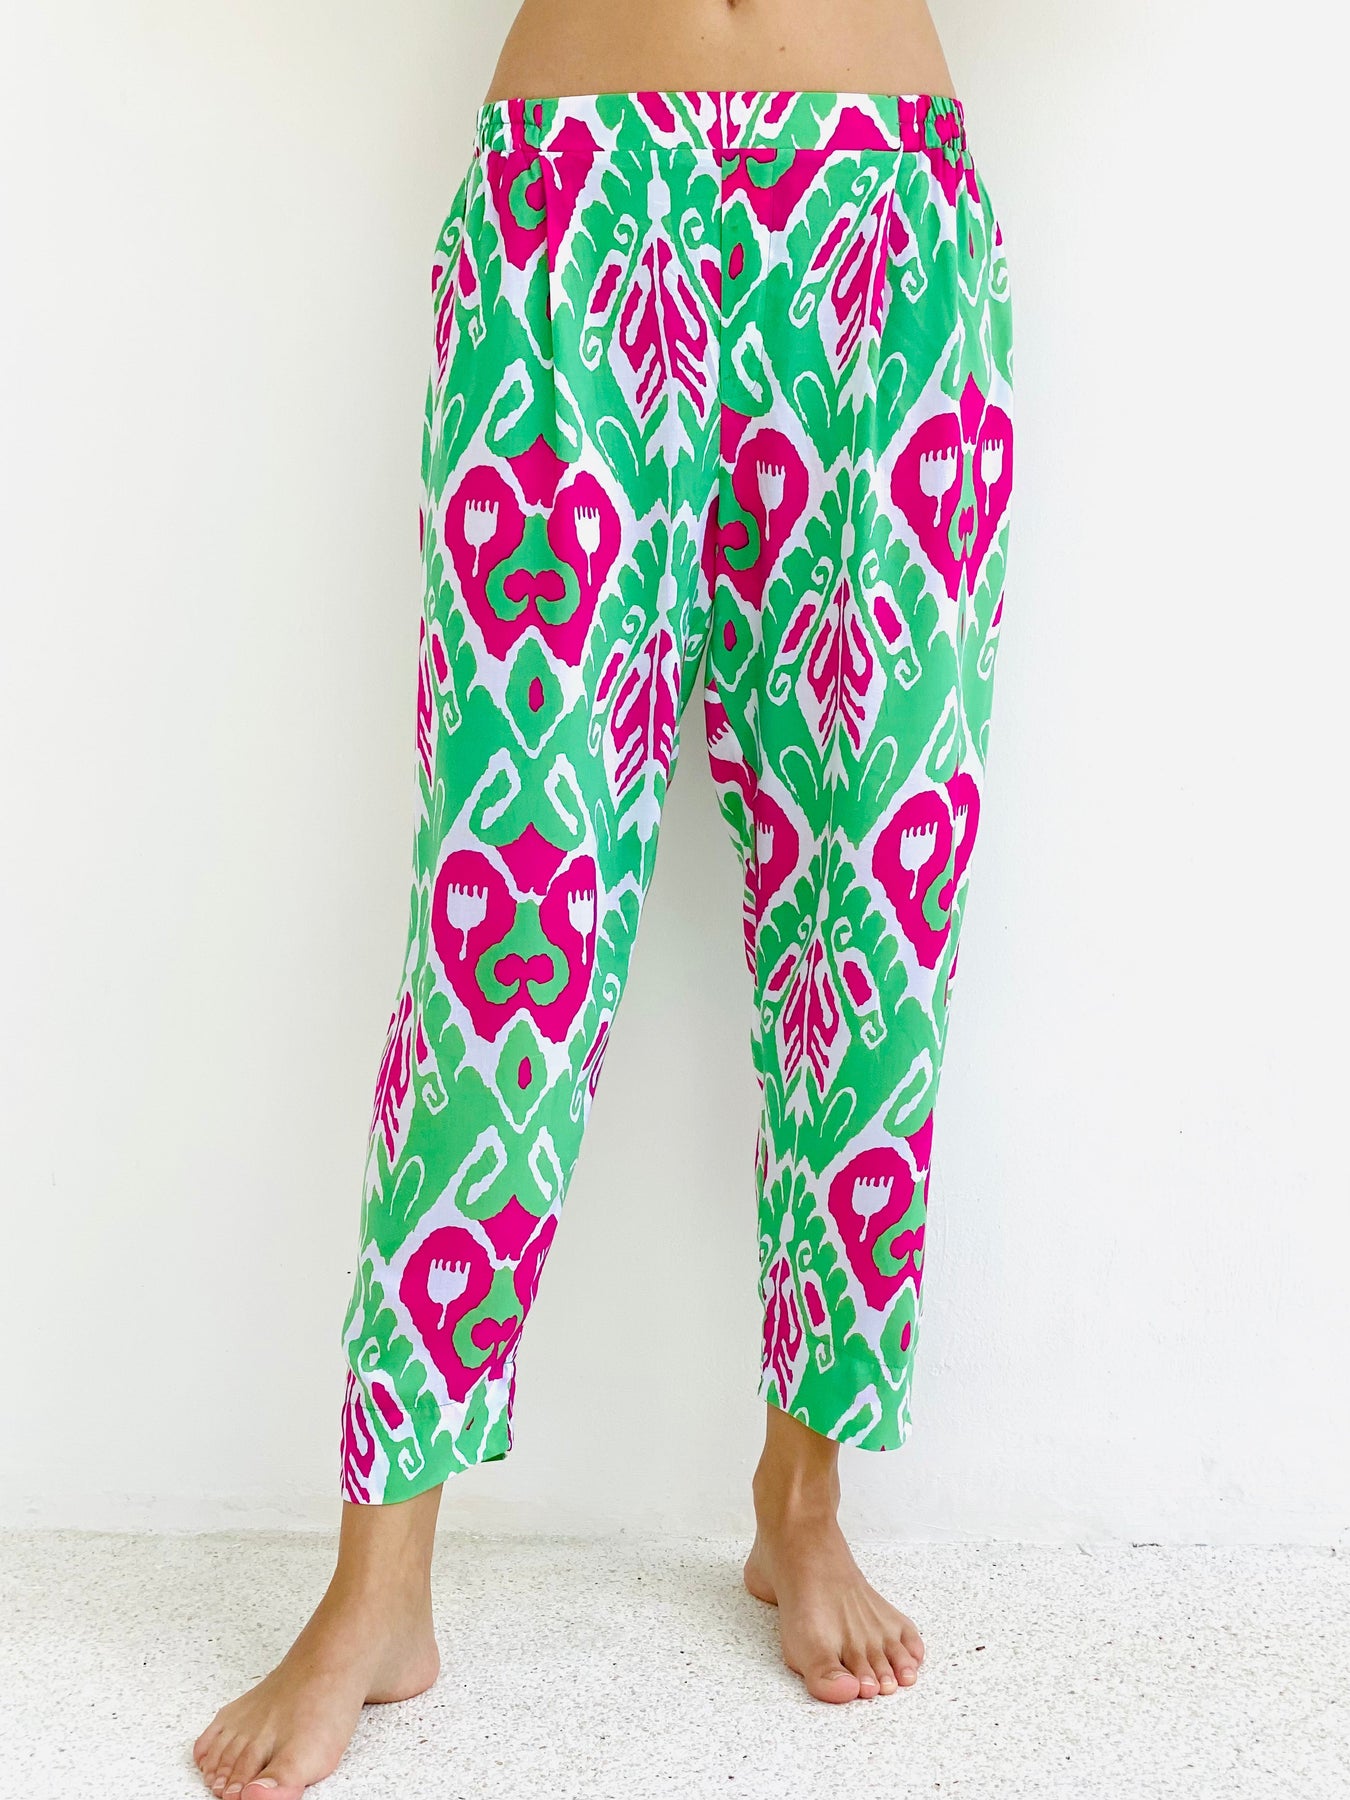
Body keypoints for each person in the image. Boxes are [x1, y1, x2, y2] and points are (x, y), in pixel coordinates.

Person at [193, 0, 1014, 1792]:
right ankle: (379, 1583)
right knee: (510, 908)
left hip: (885, 229)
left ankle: (801, 1497)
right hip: (570, 206)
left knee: (874, 907)